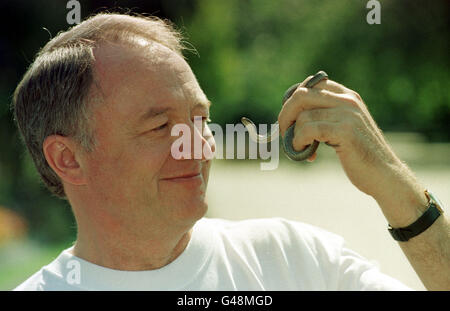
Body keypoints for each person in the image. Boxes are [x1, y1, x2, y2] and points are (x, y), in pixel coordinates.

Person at [12, 13, 449, 291]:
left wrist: (394, 183)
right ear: (68, 159)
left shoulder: (296, 258)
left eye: (200, 120)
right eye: (160, 126)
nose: (199, 146)